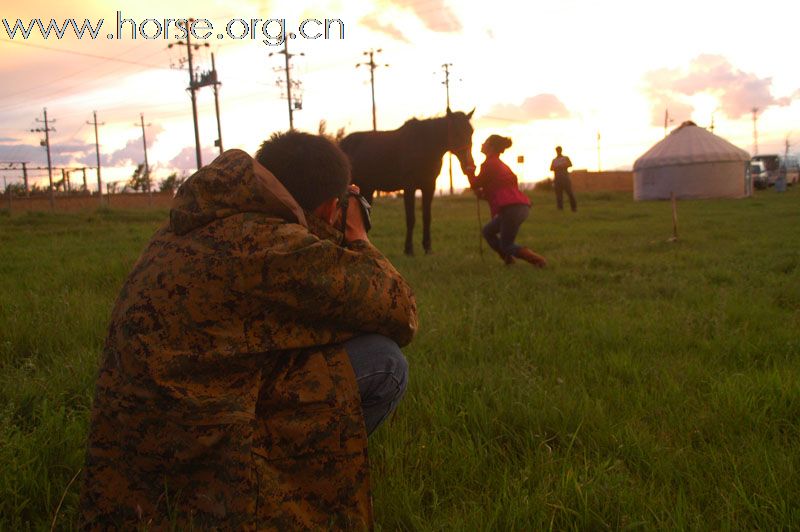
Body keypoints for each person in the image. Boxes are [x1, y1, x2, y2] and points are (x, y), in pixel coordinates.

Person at [79, 131, 418, 529]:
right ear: (330, 207)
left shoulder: (187, 226)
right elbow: (399, 312)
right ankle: (297, 484)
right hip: (202, 461)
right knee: (384, 362)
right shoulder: (274, 247)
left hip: (127, 458)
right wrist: (356, 236)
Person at [469, 134, 547, 267]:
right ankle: (508, 260)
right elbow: (495, 190)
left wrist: (470, 172)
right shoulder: (501, 165)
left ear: (491, 147)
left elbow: (475, 184)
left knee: (507, 245)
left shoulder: (489, 164)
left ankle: (538, 260)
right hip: (520, 207)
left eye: (485, 142)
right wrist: (481, 194)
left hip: (511, 209)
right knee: (488, 231)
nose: (482, 144)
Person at [550, 145, 577, 212]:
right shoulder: (554, 160)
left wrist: (563, 166)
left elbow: (570, 164)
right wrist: (557, 168)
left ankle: (574, 208)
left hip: (565, 178)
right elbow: (551, 168)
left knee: (570, 193)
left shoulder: (565, 158)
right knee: (559, 195)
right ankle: (560, 209)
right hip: (557, 179)